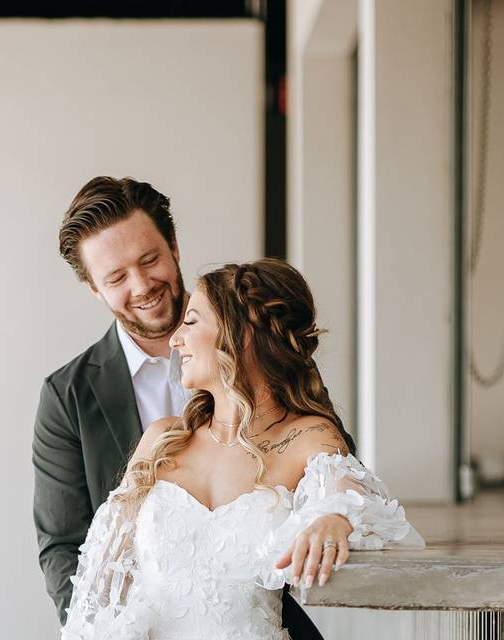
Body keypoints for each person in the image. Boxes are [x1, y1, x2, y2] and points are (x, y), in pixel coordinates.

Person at [60, 258, 424, 640]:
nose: (174, 339)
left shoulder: (307, 436)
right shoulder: (161, 440)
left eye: (192, 321)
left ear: (242, 333)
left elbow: (352, 494)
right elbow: (99, 592)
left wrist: (334, 517)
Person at [33, 178, 325, 638]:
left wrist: (333, 516)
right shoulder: (66, 395)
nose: (143, 285)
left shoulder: (254, 342)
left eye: (150, 260)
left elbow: (330, 459)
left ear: (174, 246)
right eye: (116, 278)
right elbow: (63, 547)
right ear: (94, 289)